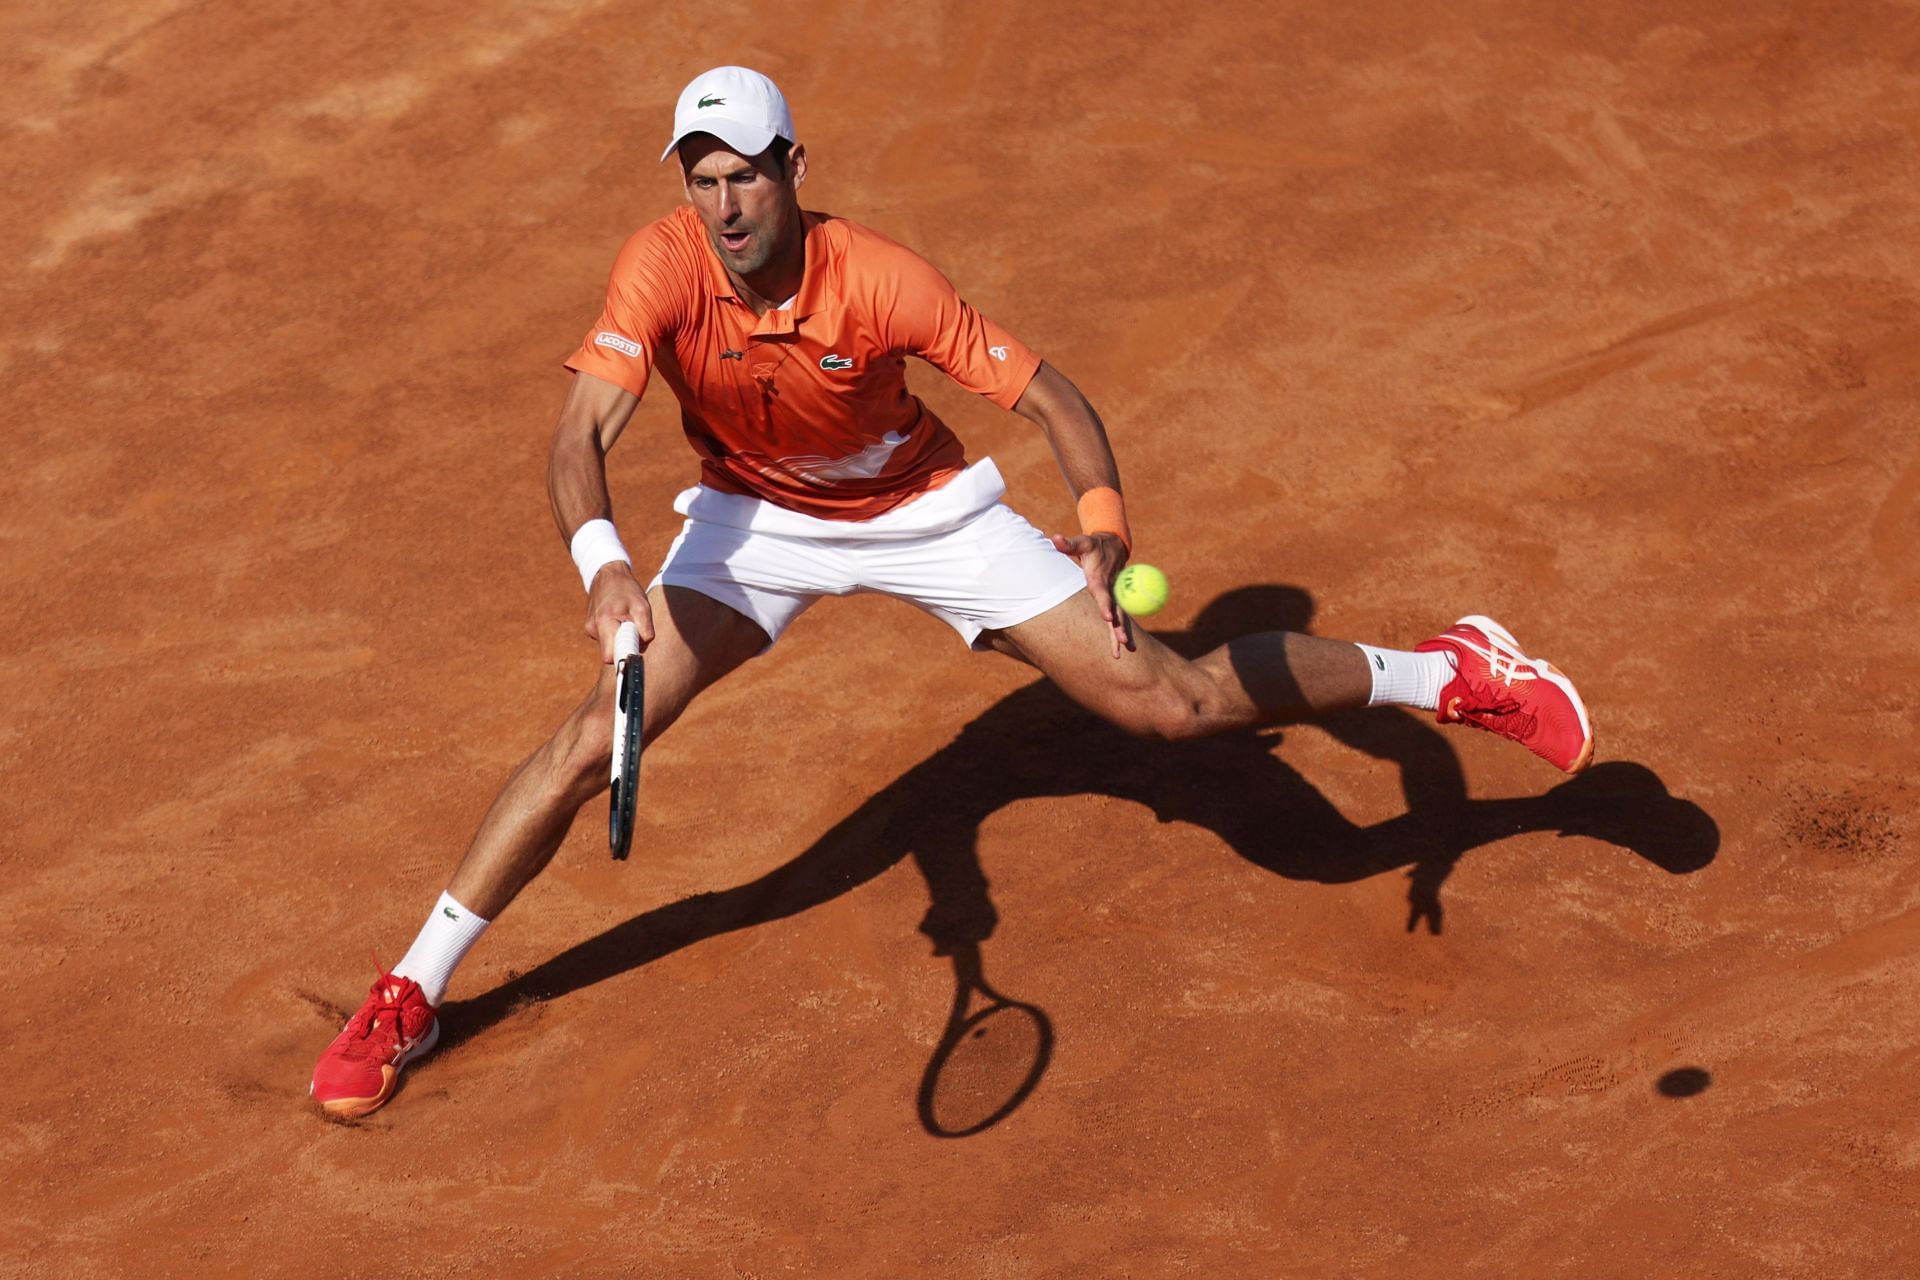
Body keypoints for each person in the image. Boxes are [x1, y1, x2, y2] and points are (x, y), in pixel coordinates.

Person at [310, 66, 1593, 1119]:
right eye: (701, 181)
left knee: (1178, 705)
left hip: (923, 515)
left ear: (794, 170)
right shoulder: (659, 268)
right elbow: (575, 440)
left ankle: (1454, 669)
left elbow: (1053, 398)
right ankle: (415, 989)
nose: (723, 205)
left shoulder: (885, 280)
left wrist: (1099, 528)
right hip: (754, 525)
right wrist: (607, 575)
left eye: (744, 174)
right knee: (596, 734)